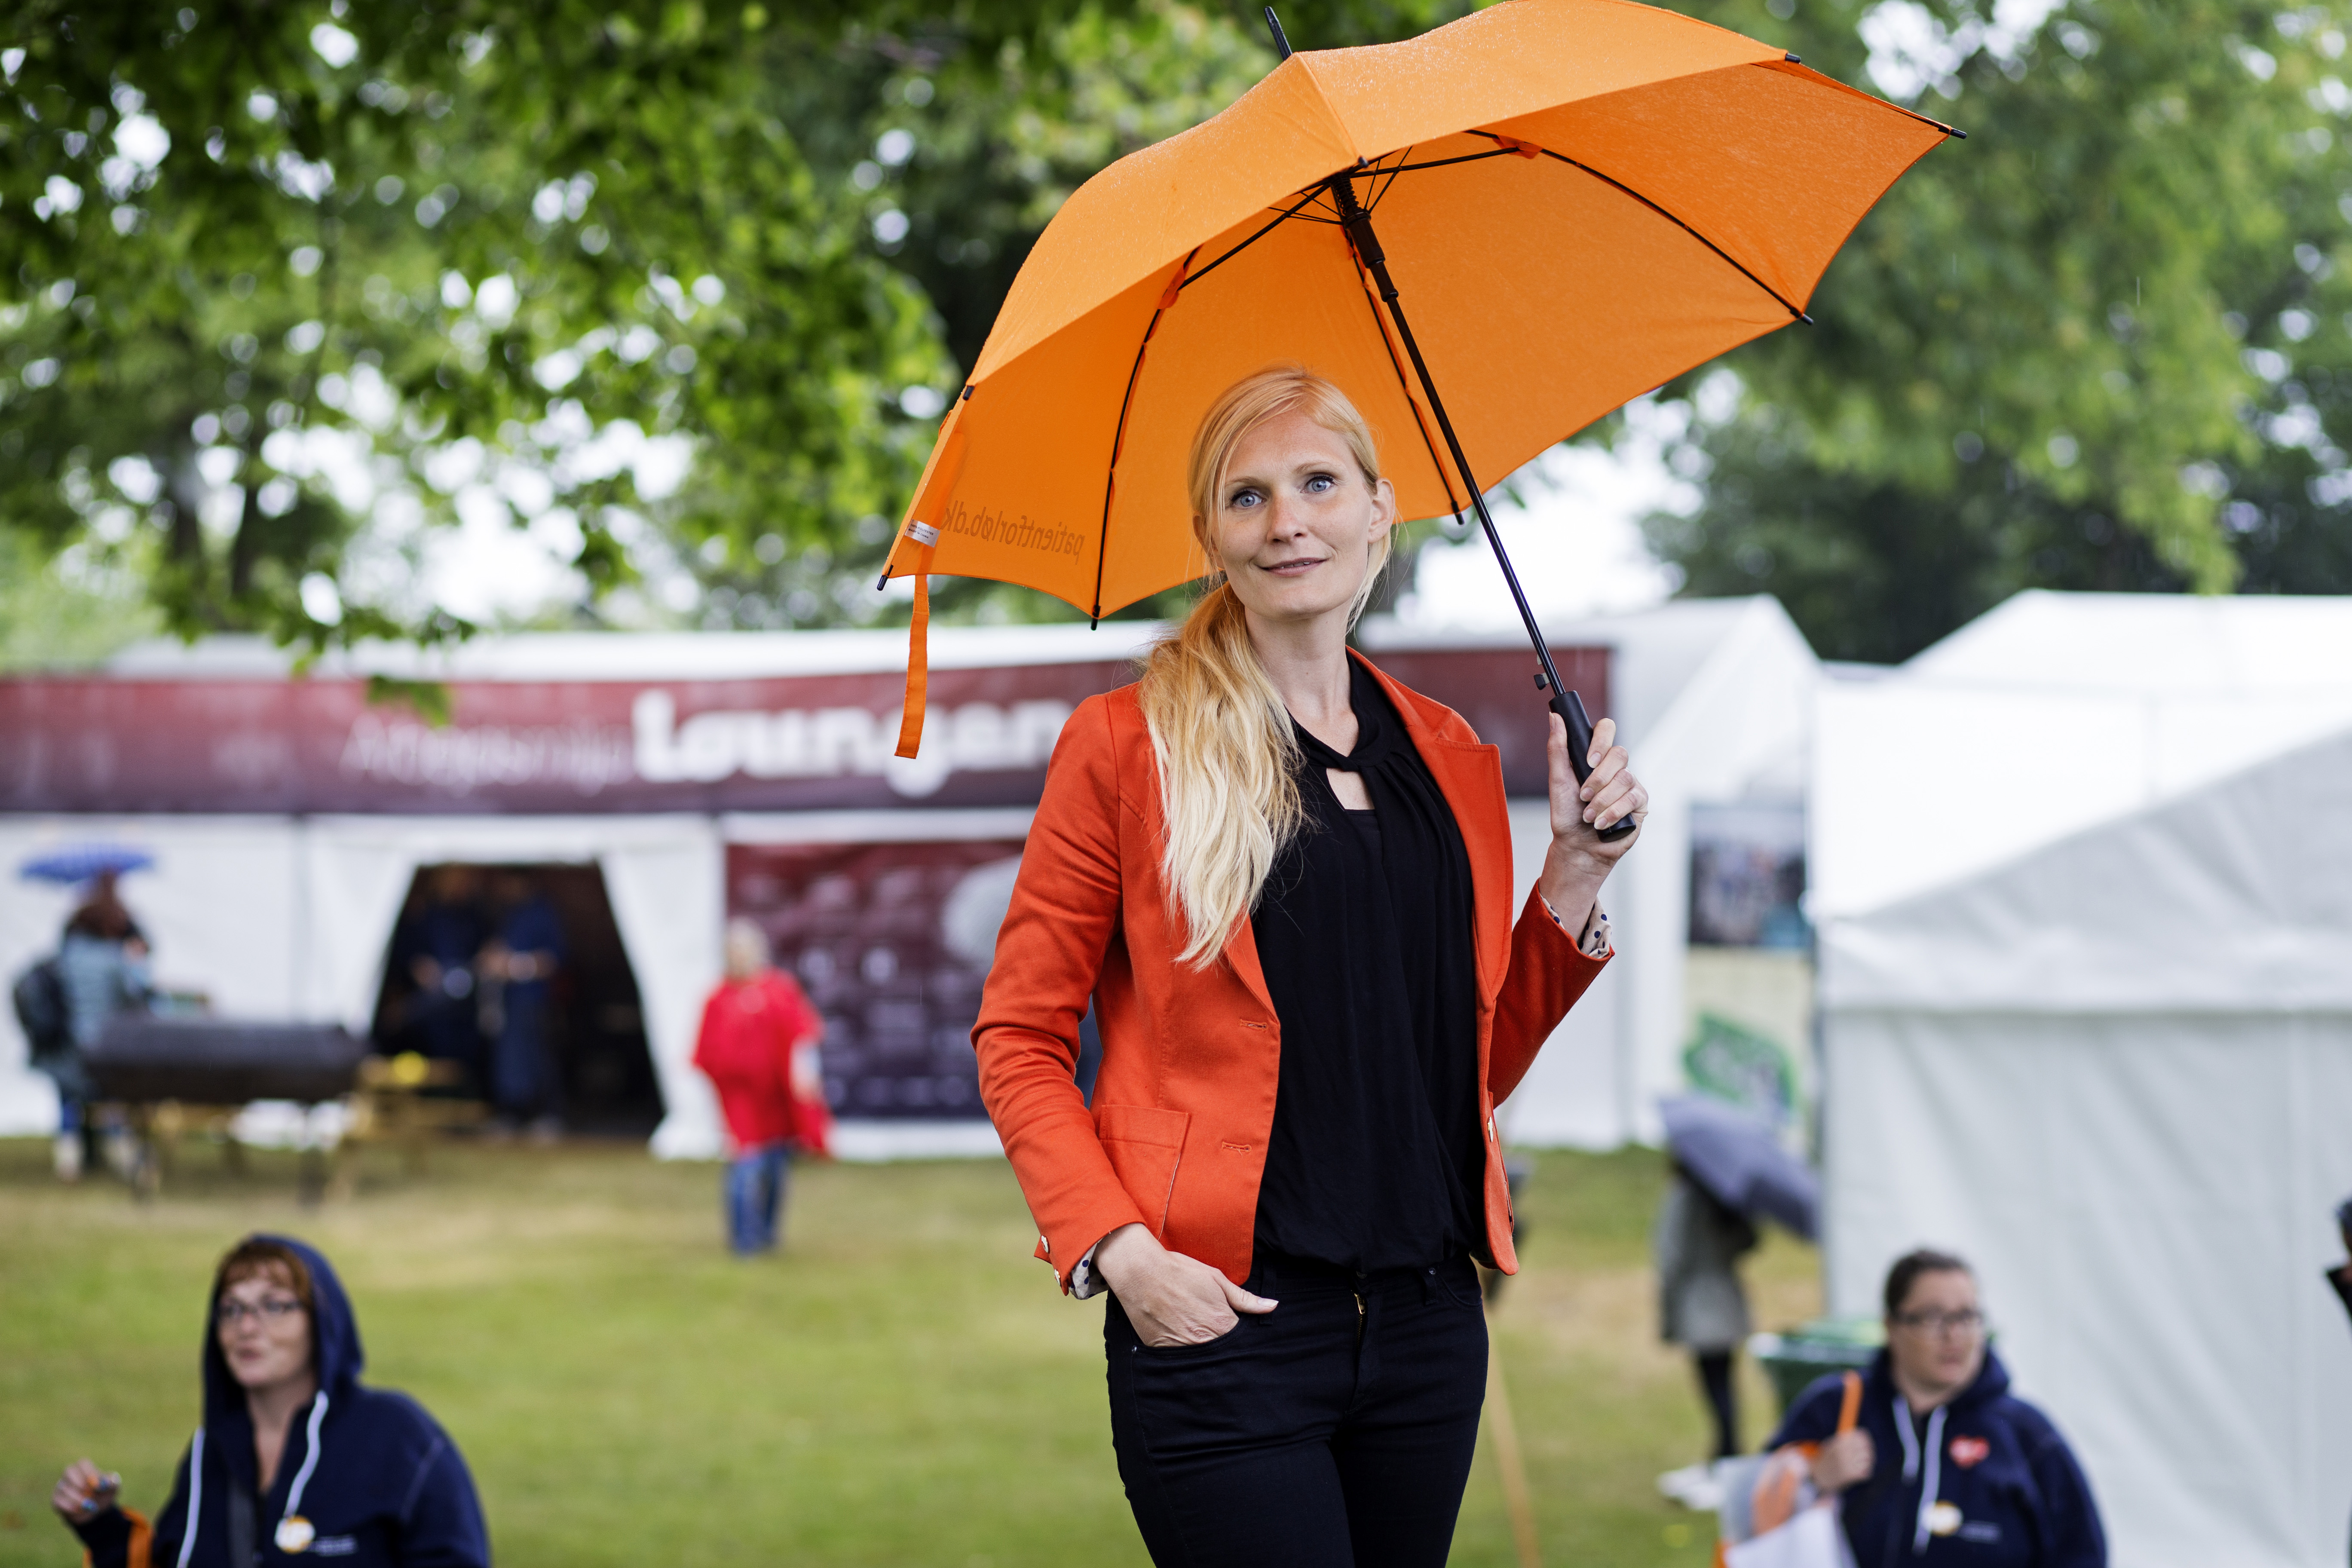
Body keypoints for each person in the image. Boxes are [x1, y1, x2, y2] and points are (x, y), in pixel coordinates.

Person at [972, 366, 1645, 1568]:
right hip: (1224, 1326)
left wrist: (1577, 875)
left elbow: (1461, 1066)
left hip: (1431, 1328)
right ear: (1209, 540)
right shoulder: (1124, 747)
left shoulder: (1447, 757)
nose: (1288, 522)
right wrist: (1119, 1255)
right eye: (1249, 496)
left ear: (1382, 511)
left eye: (1319, 483)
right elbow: (1018, 1038)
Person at [52, 1234, 490, 1568]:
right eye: (232, 1309)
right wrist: (104, 1529)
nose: (247, 1327)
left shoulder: (399, 1438)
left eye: (274, 1306)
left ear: (322, 1321)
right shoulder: (211, 1452)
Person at [1772, 1249, 2105, 1566]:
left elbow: (2082, 1554)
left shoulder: (2026, 1434)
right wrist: (1812, 1478)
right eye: (1933, 1317)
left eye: (1967, 1316)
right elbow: (1750, 1516)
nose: (1954, 1335)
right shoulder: (1837, 1408)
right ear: (1891, 1327)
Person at [692, 919, 833, 1254]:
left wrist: (803, 1074)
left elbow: (803, 1034)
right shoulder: (719, 998)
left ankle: (768, 1233)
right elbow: (708, 1050)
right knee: (746, 1167)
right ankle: (744, 1240)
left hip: (776, 1100)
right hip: (742, 1100)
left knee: (775, 1169)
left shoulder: (779, 990)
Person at [49, 872, 154, 1181]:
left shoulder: (67, 956)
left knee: (70, 1100)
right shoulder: (112, 959)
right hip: (106, 1047)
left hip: (67, 1047)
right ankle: (121, 1157)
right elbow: (135, 996)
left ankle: (69, 1160)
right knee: (111, 1101)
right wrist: (136, 964)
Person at [1654, 1164, 1758, 1462]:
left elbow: (1671, 1255)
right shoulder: (1724, 1197)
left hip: (1698, 1306)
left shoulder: (1684, 1197)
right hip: (1729, 1302)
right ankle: (1727, 1447)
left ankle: (1726, 1450)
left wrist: (1668, 1310)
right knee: (1725, 1381)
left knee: (1714, 1384)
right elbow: (1749, 1242)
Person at [479, 870, 565, 1139]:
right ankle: (512, 1115)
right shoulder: (507, 914)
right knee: (508, 1061)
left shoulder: (542, 913)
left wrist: (515, 966)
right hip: (505, 1001)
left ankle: (547, 1116)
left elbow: (554, 960)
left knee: (537, 1058)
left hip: (533, 999)